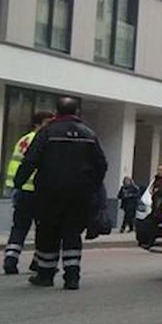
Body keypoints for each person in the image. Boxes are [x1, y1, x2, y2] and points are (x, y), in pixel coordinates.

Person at [13, 97, 107, 290]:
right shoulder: (89, 134)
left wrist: (19, 182)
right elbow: (102, 164)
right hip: (80, 193)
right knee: (73, 233)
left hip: (49, 192)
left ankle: (45, 275)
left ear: (57, 111)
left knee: (48, 232)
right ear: (77, 112)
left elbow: (30, 160)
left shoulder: (47, 132)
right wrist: (93, 185)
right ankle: (72, 277)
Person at [4, 110, 54, 274]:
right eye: (47, 123)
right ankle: (37, 261)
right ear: (37, 124)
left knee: (19, 227)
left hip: (21, 190)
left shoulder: (23, 139)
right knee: (43, 228)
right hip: (37, 190)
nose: (50, 126)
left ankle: (10, 259)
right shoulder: (41, 139)